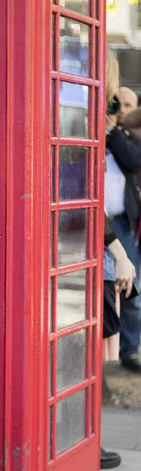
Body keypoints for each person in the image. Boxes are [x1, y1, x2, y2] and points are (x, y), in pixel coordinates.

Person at [105, 79, 141, 372]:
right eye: (117, 103)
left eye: (128, 105)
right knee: (99, 288)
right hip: (94, 223)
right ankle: (98, 351)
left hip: (123, 223)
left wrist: (114, 128)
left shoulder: (130, 138)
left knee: (130, 288)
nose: (122, 110)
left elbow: (131, 161)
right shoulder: (101, 133)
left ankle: (130, 351)